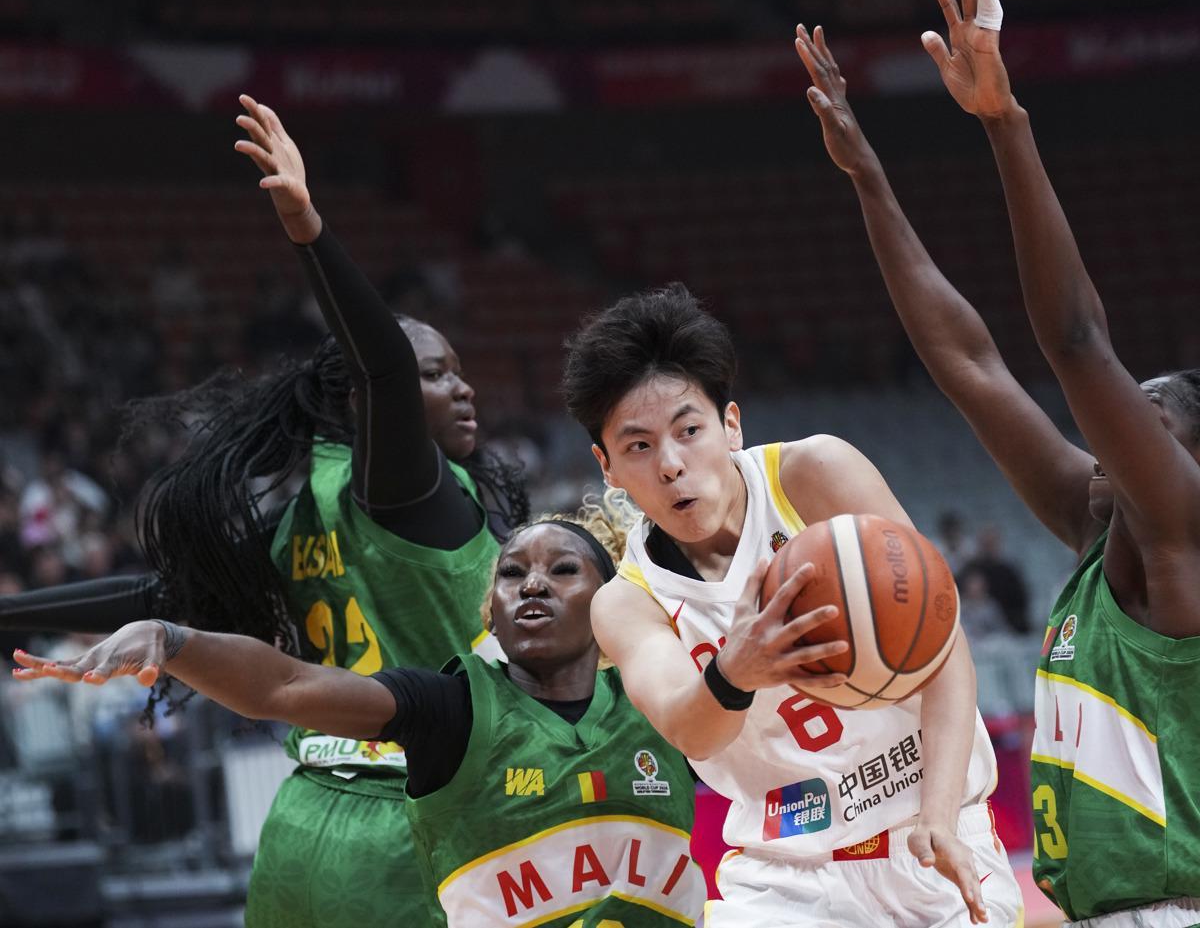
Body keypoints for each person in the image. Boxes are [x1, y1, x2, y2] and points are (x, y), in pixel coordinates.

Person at [0, 94, 529, 928]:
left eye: (460, 369)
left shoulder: (303, 514)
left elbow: (157, 596)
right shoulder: (407, 495)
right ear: (365, 403)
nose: (462, 386)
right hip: (415, 827)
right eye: (437, 373)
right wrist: (307, 227)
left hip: (302, 823)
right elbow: (384, 367)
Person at [799, 0, 1200, 924]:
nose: (1112, 426)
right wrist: (869, 177)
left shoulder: (1182, 537)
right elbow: (969, 364)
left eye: (1148, 417)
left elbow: (1076, 343)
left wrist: (1005, 120)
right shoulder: (1100, 532)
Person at [12, 507, 708, 928]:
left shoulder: (665, 700)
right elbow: (286, 684)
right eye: (510, 572)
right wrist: (172, 638)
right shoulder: (453, 706)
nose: (532, 582)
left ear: (612, 599)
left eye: (563, 570)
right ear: (489, 612)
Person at [560, 312, 1022, 918]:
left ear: (730, 425)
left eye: (689, 430)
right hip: (786, 881)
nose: (670, 464)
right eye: (638, 446)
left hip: (934, 839)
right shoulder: (626, 602)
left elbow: (942, 644)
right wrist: (733, 673)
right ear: (608, 468)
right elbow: (690, 731)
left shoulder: (813, 474)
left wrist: (938, 818)